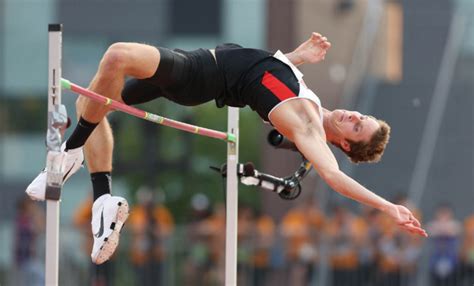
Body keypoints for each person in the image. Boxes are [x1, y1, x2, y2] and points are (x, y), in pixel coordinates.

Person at [26, 32, 427, 264]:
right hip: (201, 62)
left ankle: (66, 155)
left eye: (357, 127)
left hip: (200, 74)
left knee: (117, 55)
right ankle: (103, 201)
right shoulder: (312, 103)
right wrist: (297, 56)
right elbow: (264, 72)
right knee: (93, 104)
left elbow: (334, 177)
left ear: (344, 143)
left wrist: (388, 208)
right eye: (361, 115)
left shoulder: (308, 125)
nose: (354, 116)